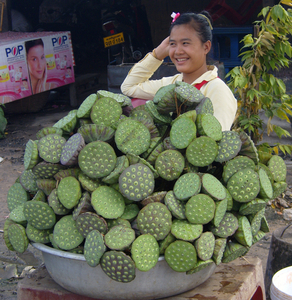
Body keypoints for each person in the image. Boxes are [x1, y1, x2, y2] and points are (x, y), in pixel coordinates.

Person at [121, 11, 237, 131]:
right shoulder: (171, 84)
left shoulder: (217, 90)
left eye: (185, 43)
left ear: (206, 47)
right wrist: (158, 54)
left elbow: (216, 142)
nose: (177, 51)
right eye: (173, 44)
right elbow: (129, 87)